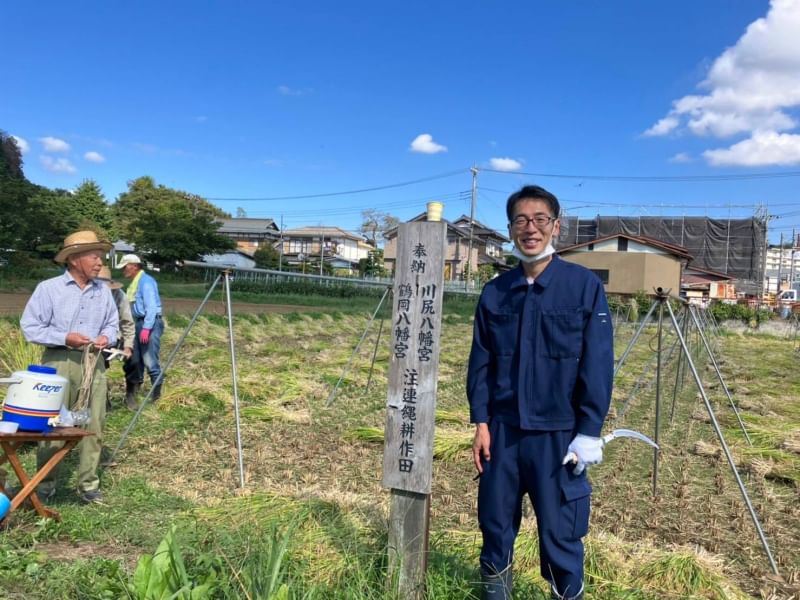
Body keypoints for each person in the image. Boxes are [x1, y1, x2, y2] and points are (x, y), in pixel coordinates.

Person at [467, 185, 614, 600]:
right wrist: (481, 422)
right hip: (503, 433)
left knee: (561, 533)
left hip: (559, 436)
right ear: (510, 228)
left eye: (539, 219)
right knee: (495, 527)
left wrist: (589, 431)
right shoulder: (496, 291)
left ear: (556, 226)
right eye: (520, 220)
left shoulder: (583, 287)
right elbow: (481, 362)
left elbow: (598, 364)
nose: (530, 228)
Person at [20, 230, 119, 504]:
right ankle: (44, 485)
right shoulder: (48, 289)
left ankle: (88, 485)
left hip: (93, 363)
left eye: (100, 257)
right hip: (58, 362)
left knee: (94, 422)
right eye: (94, 256)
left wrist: (106, 337)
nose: (99, 262)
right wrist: (65, 337)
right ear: (74, 259)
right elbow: (30, 327)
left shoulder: (103, 292)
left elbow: (112, 324)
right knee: (52, 424)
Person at [116, 254, 164, 406]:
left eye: (125, 267)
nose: (123, 270)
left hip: (148, 323)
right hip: (137, 323)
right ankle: (133, 396)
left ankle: (156, 397)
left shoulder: (146, 282)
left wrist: (147, 328)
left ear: (134, 266)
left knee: (149, 360)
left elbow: (151, 307)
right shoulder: (135, 282)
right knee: (135, 360)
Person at [96, 266, 136, 410]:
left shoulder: (119, 295)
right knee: (98, 366)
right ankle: (103, 401)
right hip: (92, 339)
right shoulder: (85, 294)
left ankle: (131, 395)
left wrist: (128, 346)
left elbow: (127, 322)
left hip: (115, 337)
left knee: (135, 361)